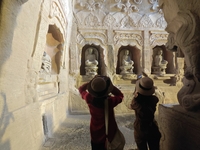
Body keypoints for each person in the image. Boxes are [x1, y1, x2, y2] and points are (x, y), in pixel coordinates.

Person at [78, 75, 124, 150]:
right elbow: (120, 95)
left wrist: (92, 82)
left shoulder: (89, 98)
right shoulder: (110, 101)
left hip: (95, 132)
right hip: (109, 133)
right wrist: (110, 86)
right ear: (107, 90)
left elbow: (81, 89)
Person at [130, 77, 161, 150]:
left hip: (140, 128)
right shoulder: (154, 100)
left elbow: (131, 105)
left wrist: (136, 93)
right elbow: (156, 98)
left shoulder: (136, 103)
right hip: (152, 127)